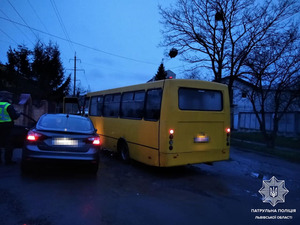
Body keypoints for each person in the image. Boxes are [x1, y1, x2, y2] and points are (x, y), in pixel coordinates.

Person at [0, 91, 20, 165]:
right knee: (8, 144)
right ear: (8, 99)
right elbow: (14, 116)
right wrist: (18, 114)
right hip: (7, 127)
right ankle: (8, 161)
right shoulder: (8, 106)